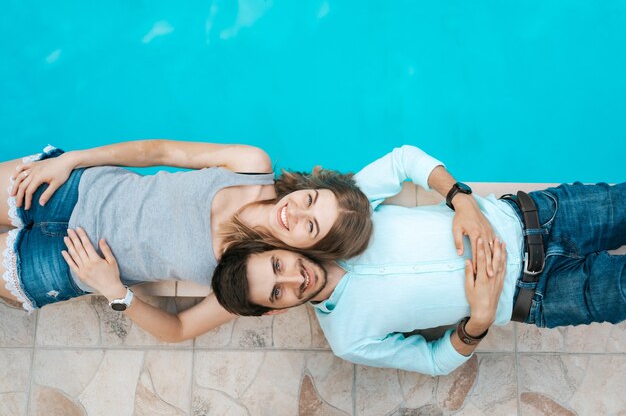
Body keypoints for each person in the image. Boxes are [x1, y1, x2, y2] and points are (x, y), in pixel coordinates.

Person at [210, 145, 626, 376]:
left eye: (277, 266)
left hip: (538, 215)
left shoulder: (340, 217)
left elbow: (403, 159)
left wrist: (460, 200)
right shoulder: (347, 340)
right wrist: (478, 321)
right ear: (273, 310)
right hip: (543, 297)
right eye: (277, 292)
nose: (293, 279)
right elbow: (433, 361)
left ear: (277, 248)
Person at [0, 140, 373, 342]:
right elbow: (159, 152)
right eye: (310, 200)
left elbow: (178, 331)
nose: (295, 212)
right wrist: (74, 160)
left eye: (310, 227)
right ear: (311, 187)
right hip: (75, 189)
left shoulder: (256, 272)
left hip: (63, 264)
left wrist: (117, 294)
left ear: (312, 247)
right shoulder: (251, 164)